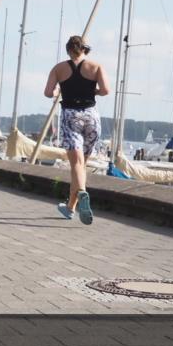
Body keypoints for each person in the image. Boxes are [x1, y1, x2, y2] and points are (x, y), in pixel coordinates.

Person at [44, 35, 110, 225]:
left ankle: (82, 193)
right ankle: (70, 207)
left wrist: (58, 92)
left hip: (70, 116)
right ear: (84, 49)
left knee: (76, 165)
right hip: (91, 117)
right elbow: (106, 90)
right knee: (81, 166)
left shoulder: (59, 68)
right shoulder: (96, 67)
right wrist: (94, 91)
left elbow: (49, 92)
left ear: (68, 50)